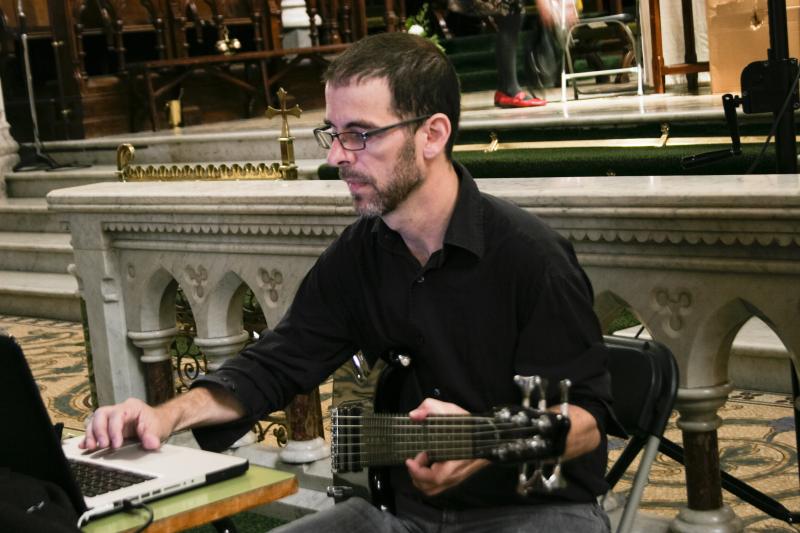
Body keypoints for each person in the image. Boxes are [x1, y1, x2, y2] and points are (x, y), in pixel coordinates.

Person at [81, 32, 614, 532]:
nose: (337, 156)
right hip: (407, 515)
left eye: (359, 135)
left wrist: (485, 440)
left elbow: (587, 422)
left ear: (432, 134)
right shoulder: (363, 252)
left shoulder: (531, 257)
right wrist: (163, 415)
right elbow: (277, 361)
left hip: (533, 515)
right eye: (333, 135)